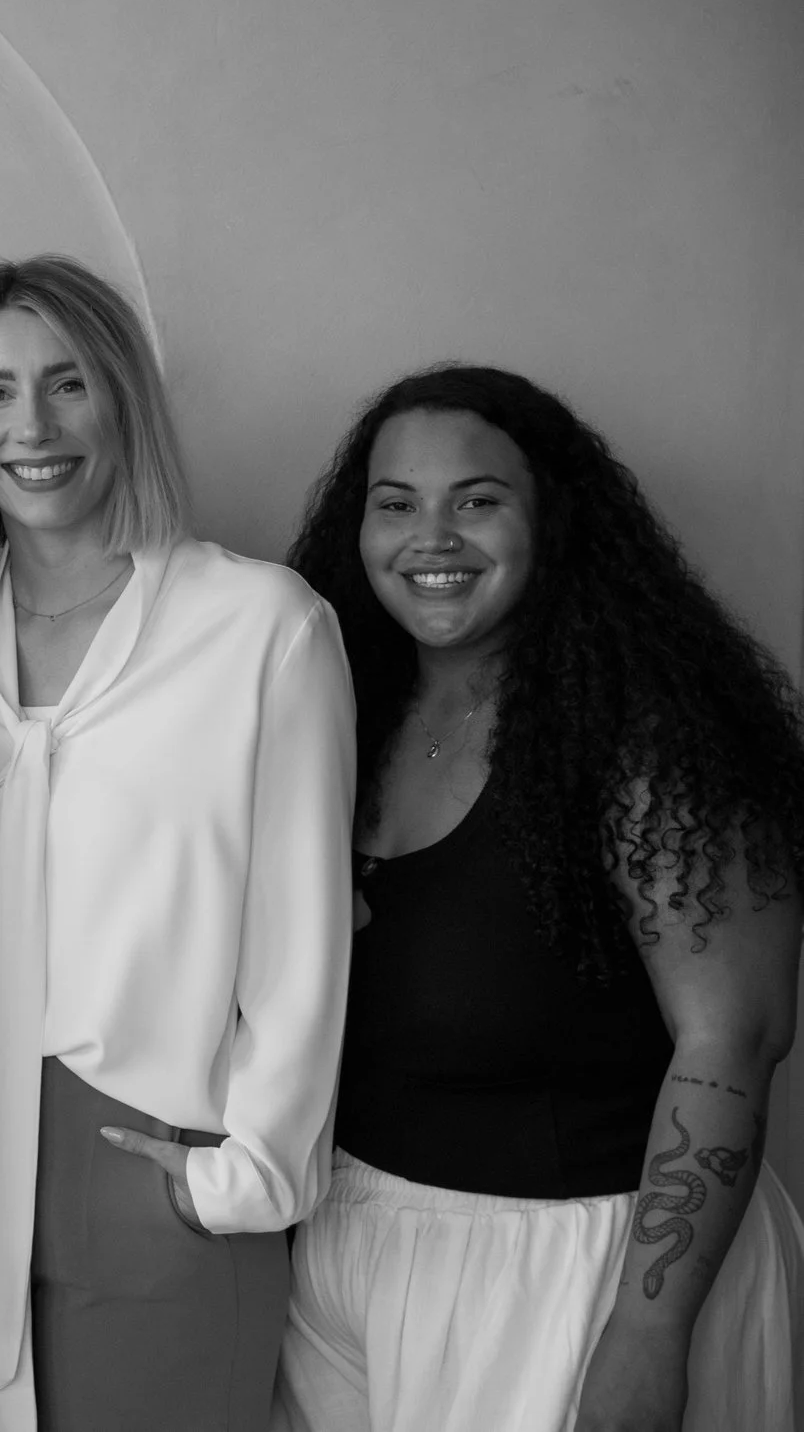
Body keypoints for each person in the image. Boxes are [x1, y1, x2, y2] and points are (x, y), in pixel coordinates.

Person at [272, 364, 804, 1432]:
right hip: (353, 1244)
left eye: (476, 500)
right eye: (395, 503)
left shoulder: (651, 736)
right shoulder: (345, 709)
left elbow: (731, 1040)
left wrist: (645, 1335)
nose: (432, 536)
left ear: (551, 518)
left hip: (576, 1262)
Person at [0, 255, 356, 1432]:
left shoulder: (262, 628)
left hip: (159, 1176)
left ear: (124, 401)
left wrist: (238, 1179)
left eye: (67, 383)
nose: (29, 426)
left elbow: (302, 941)